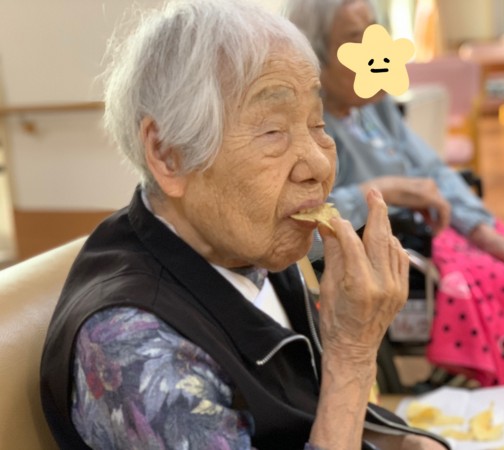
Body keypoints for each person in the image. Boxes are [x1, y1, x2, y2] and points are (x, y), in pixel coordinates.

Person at [39, 1, 450, 449]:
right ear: (167, 154)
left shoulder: (249, 243)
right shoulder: (134, 350)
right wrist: (352, 355)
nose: (318, 164)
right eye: (273, 131)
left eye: (317, 123)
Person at [286, 0, 504, 400]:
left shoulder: (374, 104)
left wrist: (483, 231)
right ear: (318, 57)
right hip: (414, 255)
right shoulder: (309, 130)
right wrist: (380, 191)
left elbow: (433, 169)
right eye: (354, 39)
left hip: (451, 233)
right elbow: (304, 224)